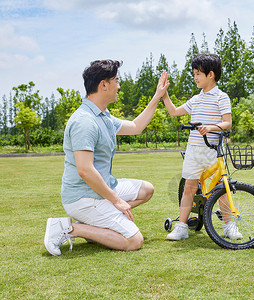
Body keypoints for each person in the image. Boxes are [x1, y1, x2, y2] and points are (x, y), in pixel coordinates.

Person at [44, 60, 170, 256]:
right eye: (116, 81)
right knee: (133, 240)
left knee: (146, 190)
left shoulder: (104, 116)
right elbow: (84, 170)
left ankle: (92, 224)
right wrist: (117, 201)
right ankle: (66, 227)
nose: (119, 86)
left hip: (102, 190)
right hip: (83, 197)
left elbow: (136, 127)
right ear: (103, 84)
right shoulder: (84, 121)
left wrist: (157, 96)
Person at [162, 53, 242, 241]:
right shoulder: (195, 100)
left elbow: (227, 123)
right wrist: (164, 93)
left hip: (213, 151)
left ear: (211, 75)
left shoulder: (221, 97)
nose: (195, 77)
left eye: (198, 73)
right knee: (189, 187)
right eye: (194, 74)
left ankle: (229, 226)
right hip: (194, 150)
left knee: (221, 188)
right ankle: (181, 227)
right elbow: (173, 112)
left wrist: (211, 128)